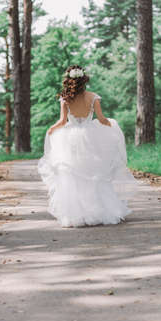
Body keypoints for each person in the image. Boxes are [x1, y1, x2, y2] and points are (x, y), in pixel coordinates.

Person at [38, 64, 139, 228]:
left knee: (73, 174)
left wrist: (52, 129)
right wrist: (112, 126)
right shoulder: (93, 97)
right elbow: (101, 119)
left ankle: (75, 214)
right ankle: (100, 211)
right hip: (90, 136)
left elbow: (63, 122)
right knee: (94, 172)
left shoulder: (65, 99)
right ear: (84, 80)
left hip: (69, 138)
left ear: (69, 81)